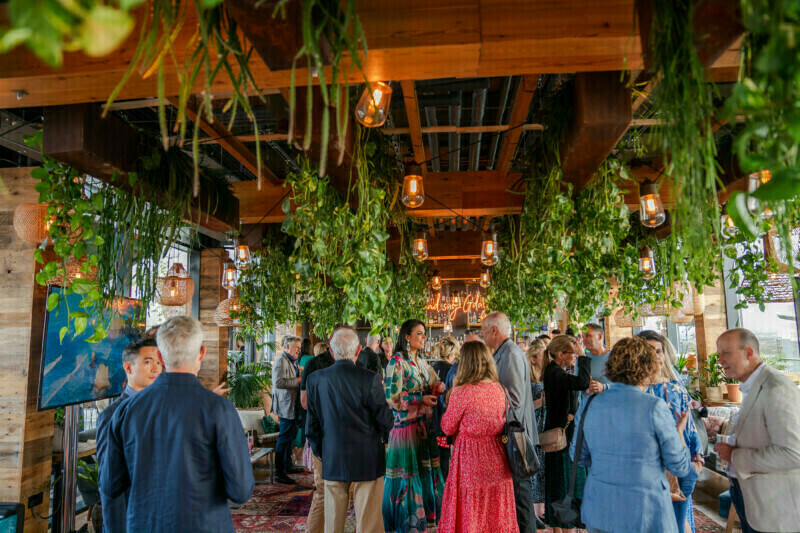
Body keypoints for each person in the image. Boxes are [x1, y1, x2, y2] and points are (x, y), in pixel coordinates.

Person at [99, 317, 254, 532]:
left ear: (161, 357)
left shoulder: (126, 410)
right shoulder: (218, 408)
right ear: (202, 352)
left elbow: (110, 485)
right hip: (204, 525)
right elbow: (240, 491)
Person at [571, 337, 691, 533]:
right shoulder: (654, 406)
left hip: (600, 506)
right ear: (648, 367)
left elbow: (578, 456)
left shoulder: (589, 404)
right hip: (644, 510)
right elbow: (680, 465)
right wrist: (679, 433)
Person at [306, 327, 393, 533]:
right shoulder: (370, 378)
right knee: (368, 522)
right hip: (368, 456)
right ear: (358, 350)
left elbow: (312, 425)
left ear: (332, 351)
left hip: (333, 454)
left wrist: (322, 451)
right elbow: (385, 420)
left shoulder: (315, 379)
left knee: (333, 521)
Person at [713, 328, 800, 533]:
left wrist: (735, 456)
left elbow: (794, 454)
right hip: (750, 499)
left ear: (749, 353)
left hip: (776, 510)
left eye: (726, 353)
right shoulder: (752, 386)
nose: (720, 360)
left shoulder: (776, 388)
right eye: (719, 354)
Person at [439, 341, 518, 533]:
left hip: (470, 458)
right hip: (498, 454)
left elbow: (447, 428)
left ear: (464, 362)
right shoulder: (500, 390)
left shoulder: (461, 392)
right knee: (495, 505)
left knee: (471, 508)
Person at [383, 319, 445, 533]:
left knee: (425, 473)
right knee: (408, 479)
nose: (424, 337)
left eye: (424, 333)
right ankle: (407, 525)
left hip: (425, 428)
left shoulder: (422, 361)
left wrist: (438, 386)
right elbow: (392, 397)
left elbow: (432, 382)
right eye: (419, 333)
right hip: (406, 429)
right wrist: (421, 398)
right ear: (407, 337)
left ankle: (426, 523)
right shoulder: (397, 361)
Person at [639, 330, 703, 533]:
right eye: (649, 351)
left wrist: (697, 460)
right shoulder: (634, 391)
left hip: (679, 466)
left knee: (677, 521)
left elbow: (690, 428)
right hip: (646, 468)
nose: (656, 356)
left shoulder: (676, 388)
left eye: (659, 351)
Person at [480, 311, 538, 533]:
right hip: (510, 435)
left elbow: (513, 399)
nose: (483, 337)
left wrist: (485, 403)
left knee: (521, 497)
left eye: (484, 332)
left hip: (515, 437)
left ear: (494, 330)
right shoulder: (503, 352)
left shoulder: (511, 353)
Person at [96, 338, 162, 533]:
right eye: (148, 362)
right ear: (128, 367)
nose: (156, 368)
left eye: (159, 362)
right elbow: (109, 487)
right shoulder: (112, 416)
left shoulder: (165, 409)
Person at [542, 334, 591, 533]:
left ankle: (563, 527)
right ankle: (565, 527)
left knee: (562, 486)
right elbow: (582, 383)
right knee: (564, 488)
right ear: (561, 354)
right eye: (572, 353)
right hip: (560, 439)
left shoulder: (557, 371)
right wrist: (584, 355)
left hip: (563, 436)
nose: (575, 357)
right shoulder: (554, 373)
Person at [302, 329, 347, 533]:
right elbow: (304, 402)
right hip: (322, 435)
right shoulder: (315, 364)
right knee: (322, 491)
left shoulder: (350, 363)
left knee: (343, 492)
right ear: (332, 341)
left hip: (346, 438)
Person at [273, 335, 303, 484]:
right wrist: (298, 380)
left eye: (299, 347)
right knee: (284, 439)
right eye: (297, 347)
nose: (299, 349)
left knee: (291, 437)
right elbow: (279, 382)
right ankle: (279, 473)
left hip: (292, 405)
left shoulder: (291, 361)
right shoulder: (280, 361)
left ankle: (288, 466)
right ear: (287, 347)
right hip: (285, 406)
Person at [431, 336, 459, 479]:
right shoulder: (454, 370)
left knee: (433, 460)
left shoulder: (431, 368)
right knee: (445, 459)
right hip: (446, 420)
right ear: (450, 355)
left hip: (431, 420)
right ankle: (444, 492)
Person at [527, 339, 548, 525]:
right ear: (533, 359)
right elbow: (524, 407)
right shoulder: (528, 378)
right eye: (543, 355)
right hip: (532, 426)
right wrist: (541, 402)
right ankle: (532, 512)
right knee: (533, 467)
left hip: (545, 426)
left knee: (542, 468)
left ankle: (541, 510)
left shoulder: (547, 376)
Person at [580, 323, 611, 395]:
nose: (584, 340)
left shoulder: (615, 356)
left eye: (588, 336)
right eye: (582, 336)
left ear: (599, 337)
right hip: (589, 404)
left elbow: (626, 385)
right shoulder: (584, 358)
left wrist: (604, 387)